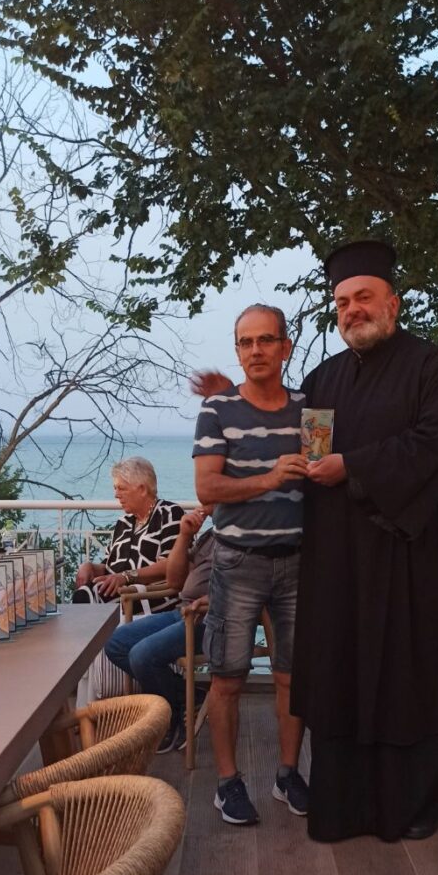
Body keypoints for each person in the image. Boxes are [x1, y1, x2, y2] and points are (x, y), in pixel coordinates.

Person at [192, 240, 438, 843]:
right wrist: (231, 393)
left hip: (411, 561)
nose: (352, 310)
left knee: (409, 681)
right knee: (341, 678)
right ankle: (344, 798)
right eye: (342, 302)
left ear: (393, 302)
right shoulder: (324, 380)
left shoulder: (433, 370)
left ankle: (417, 801)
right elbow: (294, 438)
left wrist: (354, 466)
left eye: (363, 297)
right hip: (341, 567)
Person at [193, 304, 309, 827]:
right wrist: (269, 479)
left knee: (291, 677)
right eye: (246, 342)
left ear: (285, 347)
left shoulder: (309, 410)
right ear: (237, 350)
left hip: (299, 562)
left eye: (266, 340)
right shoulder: (217, 410)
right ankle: (228, 783)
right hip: (238, 563)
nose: (256, 350)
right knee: (227, 679)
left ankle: (288, 774)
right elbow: (207, 488)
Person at [104, 505, 214, 752]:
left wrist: (213, 601)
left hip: (209, 619)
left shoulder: (241, 540)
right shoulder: (210, 536)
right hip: (183, 612)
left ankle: (170, 716)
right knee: (115, 643)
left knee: (141, 654)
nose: (204, 502)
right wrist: (184, 536)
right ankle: (186, 697)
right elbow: (175, 581)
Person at [73, 457, 183, 612]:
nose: (116, 495)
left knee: (87, 599)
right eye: (115, 488)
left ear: (142, 489)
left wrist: (126, 577)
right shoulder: (124, 522)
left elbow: (171, 565)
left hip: (149, 594)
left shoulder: (169, 514)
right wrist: (89, 566)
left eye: (121, 488)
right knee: (85, 594)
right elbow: (108, 566)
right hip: (116, 591)